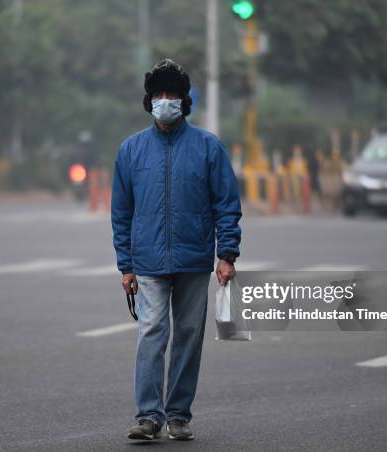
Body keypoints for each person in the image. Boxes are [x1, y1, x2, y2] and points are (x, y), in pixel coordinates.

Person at [111, 59, 242, 441]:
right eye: (158, 95)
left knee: (188, 336)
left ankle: (179, 414)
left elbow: (227, 204)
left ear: (184, 102)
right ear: (149, 100)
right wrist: (126, 265)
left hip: (194, 260)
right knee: (151, 332)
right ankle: (148, 416)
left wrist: (227, 254)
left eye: (171, 95)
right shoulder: (131, 151)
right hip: (148, 262)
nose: (164, 101)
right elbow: (121, 212)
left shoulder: (208, 147)